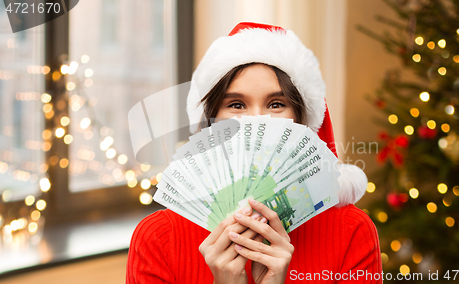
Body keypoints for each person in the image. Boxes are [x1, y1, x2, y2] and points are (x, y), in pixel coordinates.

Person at [126, 22, 382, 284]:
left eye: (276, 104)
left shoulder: (352, 231)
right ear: (211, 123)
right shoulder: (157, 237)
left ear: (301, 121)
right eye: (236, 104)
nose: (257, 122)